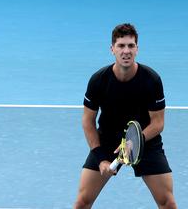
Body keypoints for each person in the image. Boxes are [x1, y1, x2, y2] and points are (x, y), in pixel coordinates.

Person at [73, 23, 177, 208]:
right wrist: (101, 158)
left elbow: (158, 123)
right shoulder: (98, 80)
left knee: (167, 202)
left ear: (137, 49)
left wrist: (134, 141)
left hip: (145, 140)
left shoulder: (151, 80)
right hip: (107, 141)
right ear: (112, 49)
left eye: (131, 46)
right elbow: (87, 122)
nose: (126, 51)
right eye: (121, 46)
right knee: (82, 201)